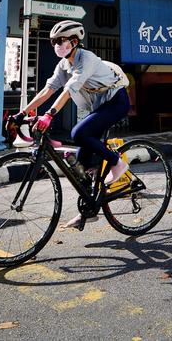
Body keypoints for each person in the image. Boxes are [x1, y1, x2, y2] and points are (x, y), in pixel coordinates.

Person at [20, 19, 130, 228]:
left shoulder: (86, 59)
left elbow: (69, 90)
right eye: (54, 41)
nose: (56, 45)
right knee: (80, 163)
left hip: (116, 101)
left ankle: (117, 162)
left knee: (79, 133)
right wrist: (22, 113)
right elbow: (48, 89)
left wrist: (49, 115)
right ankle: (89, 209)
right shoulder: (64, 64)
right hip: (99, 106)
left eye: (60, 40)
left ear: (74, 41)